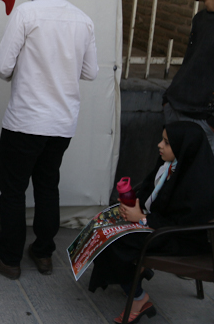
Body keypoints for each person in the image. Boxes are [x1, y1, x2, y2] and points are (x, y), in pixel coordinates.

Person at [0, 0, 98, 279]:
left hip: (25, 121)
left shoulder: (26, 14)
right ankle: (43, 254)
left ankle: (9, 259)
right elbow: (91, 72)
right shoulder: (83, 20)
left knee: (13, 191)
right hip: (62, 124)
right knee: (47, 187)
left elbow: (2, 66)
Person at [89, 121, 214, 323]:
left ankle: (138, 297)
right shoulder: (170, 164)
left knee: (119, 241)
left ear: (183, 147)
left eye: (167, 142)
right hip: (159, 224)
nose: (159, 145)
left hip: (181, 237)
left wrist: (142, 218)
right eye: (162, 139)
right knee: (104, 224)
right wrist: (132, 204)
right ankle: (132, 276)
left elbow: (182, 222)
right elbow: (149, 191)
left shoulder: (199, 182)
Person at [163, 0, 214, 152]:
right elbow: (190, 63)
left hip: (202, 120)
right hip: (176, 109)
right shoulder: (200, 19)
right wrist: (168, 99)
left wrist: (211, 122)